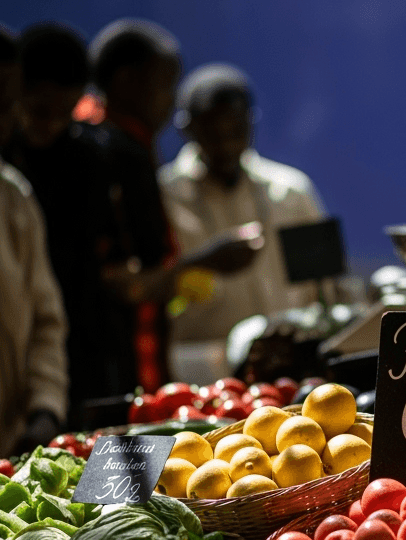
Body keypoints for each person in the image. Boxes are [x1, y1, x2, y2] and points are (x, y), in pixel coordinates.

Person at [83, 22, 256, 391]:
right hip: (109, 363)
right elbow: (121, 286)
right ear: (127, 80)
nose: (169, 99)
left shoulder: (121, 144)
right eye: (165, 84)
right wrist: (208, 261)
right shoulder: (113, 153)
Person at [5, 24, 133, 422]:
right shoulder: (11, 172)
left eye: (66, 112)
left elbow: (52, 310)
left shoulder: (91, 160)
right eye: (41, 112)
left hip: (84, 352)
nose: (53, 124)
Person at [159, 63, 326, 343]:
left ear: (251, 122)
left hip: (290, 358)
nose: (226, 146)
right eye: (212, 134)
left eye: (236, 132)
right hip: (200, 368)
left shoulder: (291, 193)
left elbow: (327, 286)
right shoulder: (164, 197)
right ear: (187, 129)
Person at [0, 27, 68, 454]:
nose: (4, 120)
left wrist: (45, 407)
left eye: (7, 106)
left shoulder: (13, 197)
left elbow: (46, 320)